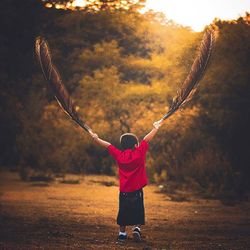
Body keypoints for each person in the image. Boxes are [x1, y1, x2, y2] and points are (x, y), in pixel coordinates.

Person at [90, 120, 162, 242]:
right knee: (138, 210)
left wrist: (96, 138)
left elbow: (108, 145)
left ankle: (122, 233)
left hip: (124, 191)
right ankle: (136, 229)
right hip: (137, 190)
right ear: (135, 145)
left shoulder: (119, 155)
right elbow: (146, 139)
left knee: (123, 211)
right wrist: (155, 128)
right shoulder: (139, 152)